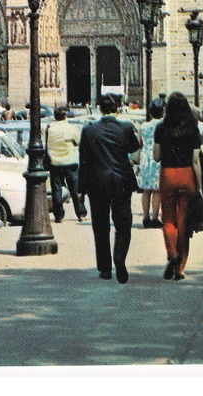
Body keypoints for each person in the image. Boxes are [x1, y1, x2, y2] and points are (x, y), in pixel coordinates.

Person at [77, 93, 140, 283]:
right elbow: (134, 147)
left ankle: (105, 268)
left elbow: (84, 161)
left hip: (97, 184)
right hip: (121, 182)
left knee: (100, 226)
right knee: (123, 224)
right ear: (117, 109)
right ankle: (119, 257)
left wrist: (81, 190)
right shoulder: (126, 128)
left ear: (100, 109)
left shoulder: (89, 131)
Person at [153, 92, 202, 281]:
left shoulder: (161, 128)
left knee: (168, 219)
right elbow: (195, 160)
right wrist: (199, 185)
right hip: (186, 174)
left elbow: (156, 156)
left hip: (168, 175)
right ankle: (180, 270)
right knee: (184, 223)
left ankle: (172, 253)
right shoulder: (193, 129)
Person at [45, 107, 87, 223]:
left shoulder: (50, 129)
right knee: (75, 190)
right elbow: (79, 142)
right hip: (70, 162)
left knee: (56, 190)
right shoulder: (71, 128)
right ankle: (80, 213)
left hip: (55, 163)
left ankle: (58, 215)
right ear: (65, 116)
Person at [138, 101, 164, 228]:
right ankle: (155, 217)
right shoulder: (163, 125)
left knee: (146, 189)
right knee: (157, 189)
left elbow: (139, 142)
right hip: (157, 156)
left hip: (145, 157)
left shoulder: (143, 126)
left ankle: (145, 217)